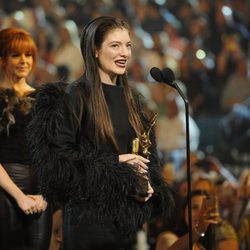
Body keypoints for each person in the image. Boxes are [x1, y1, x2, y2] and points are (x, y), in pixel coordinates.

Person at [28, 16, 175, 250]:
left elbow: (146, 157)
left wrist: (147, 183)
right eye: (115, 45)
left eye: (128, 45)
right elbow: (60, 165)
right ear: (95, 50)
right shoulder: (75, 96)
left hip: (125, 223)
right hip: (87, 222)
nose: (124, 53)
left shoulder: (132, 101)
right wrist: (115, 163)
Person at [0, 28, 52, 249]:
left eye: (28, 55)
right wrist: (19, 196)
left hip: (40, 191)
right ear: (2, 60)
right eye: (16, 55)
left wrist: (44, 195)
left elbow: (52, 152)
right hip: (4, 188)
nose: (24, 61)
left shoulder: (45, 98)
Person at [156, 190, 220, 250]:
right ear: (183, 211)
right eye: (195, 207)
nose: (200, 214)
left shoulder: (203, 245)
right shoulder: (167, 237)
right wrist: (198, 231)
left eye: (204, 209)